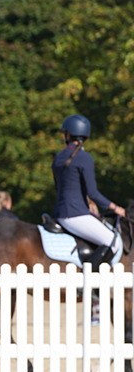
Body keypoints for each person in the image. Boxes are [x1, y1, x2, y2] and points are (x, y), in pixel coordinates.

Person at [51, 114, 124, 269]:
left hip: (60, 212)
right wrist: (116, 208)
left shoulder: (58, 157)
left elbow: (61, 188)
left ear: (68, 134)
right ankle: (87, 282)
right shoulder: (84, 157)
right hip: (76, 214)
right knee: (113, 241)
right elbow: (93, 193)